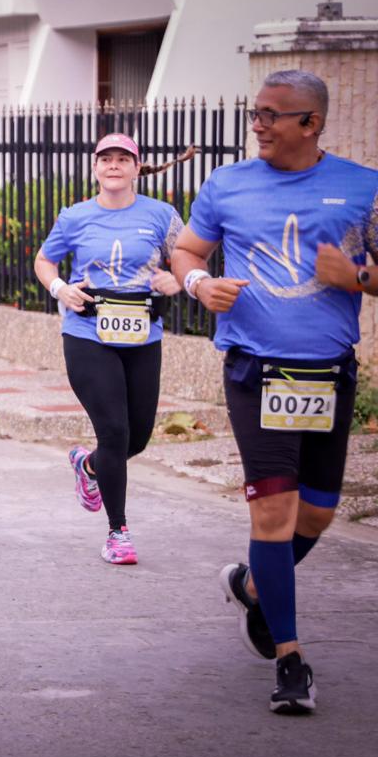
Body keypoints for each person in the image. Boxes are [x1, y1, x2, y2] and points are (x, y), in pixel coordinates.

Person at [172, 69, 378, 715]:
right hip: (255, 367)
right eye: (255, 112)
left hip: (327, 372)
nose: (256, 124)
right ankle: (290, 658)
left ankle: (255, 585)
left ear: (310, 124)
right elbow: (186, 249)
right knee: (273, 511)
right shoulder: (226, 184)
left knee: (317, 513)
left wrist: (359, 273)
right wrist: (200, 284)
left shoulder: (361, 186)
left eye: (271, 115)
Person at [33, 133, 185, 565]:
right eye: (106, 159)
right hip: (88, 334)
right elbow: (45, 261)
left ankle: (90, 466)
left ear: (137, 167)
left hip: (143, 337)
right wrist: (60, 287)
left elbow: (188, 258)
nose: (114, 165)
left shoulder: (161, 215)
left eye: (123, 159)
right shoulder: (76, 216)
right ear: (95, 167)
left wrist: (176, 278)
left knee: (137, 436)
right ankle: (118, 532)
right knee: (114, 431)